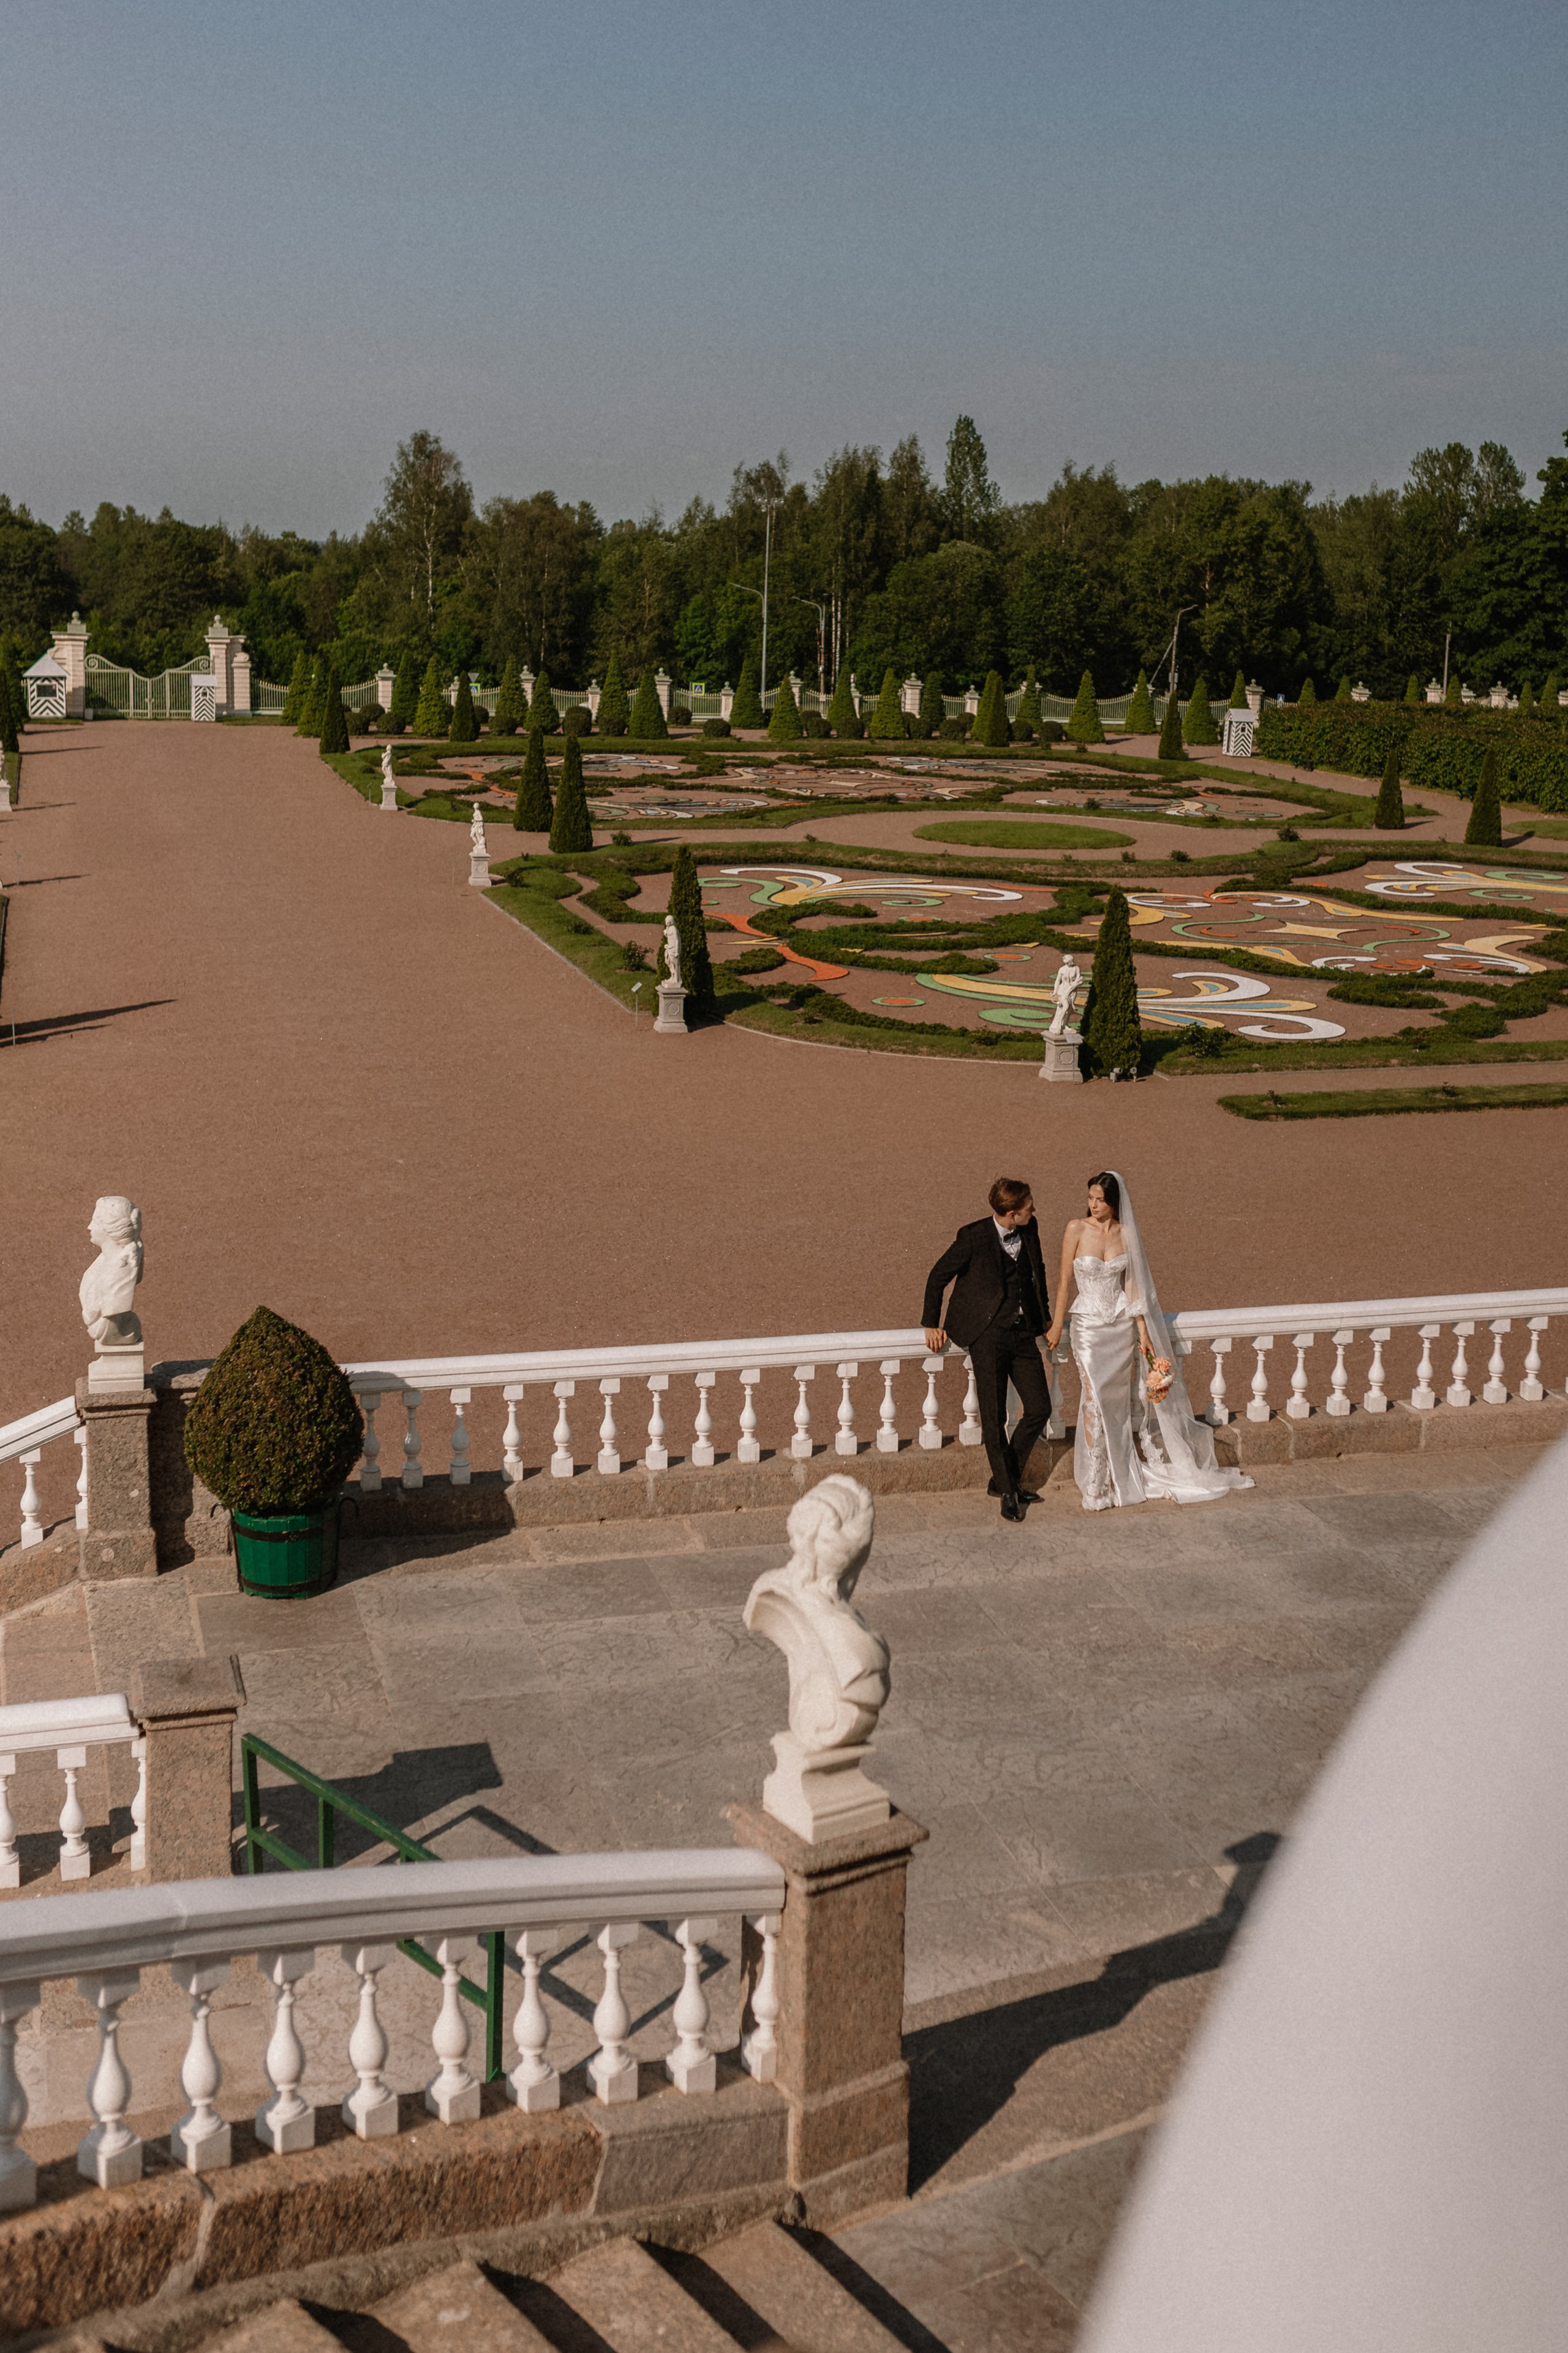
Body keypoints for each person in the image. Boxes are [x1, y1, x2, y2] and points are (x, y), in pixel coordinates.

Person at [1045, 1169, 1253, 1513]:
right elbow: (1064, 1282)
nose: (1093, 1205)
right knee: (1093, 1400)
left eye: (1101, 1200)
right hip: (1089, 1329)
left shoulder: (1126, 1234)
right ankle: (1096, 1483)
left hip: (1121, 1329)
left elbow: (1132, 1287)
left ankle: (1117, 1476)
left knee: (1116, 1406)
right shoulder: (1075, 1229)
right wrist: (1056, 1325)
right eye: (1090, 1198)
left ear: (1114, 1203)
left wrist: (1143, 1332)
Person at [922, 1178, 1052, 1522]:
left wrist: (1048, 1320)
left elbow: (1037, 1272)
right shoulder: (973, 1236)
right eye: (1029, 1207)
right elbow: (938, 1276)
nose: (1034, 1211)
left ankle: (1002, 1477)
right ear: (1012, 1213)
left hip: (1024, 1334)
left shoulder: (1031, 1228)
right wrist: (931, 1323)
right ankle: (1010, 1491)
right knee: (994, 1418)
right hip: (987, 1336)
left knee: (1040, 1407)